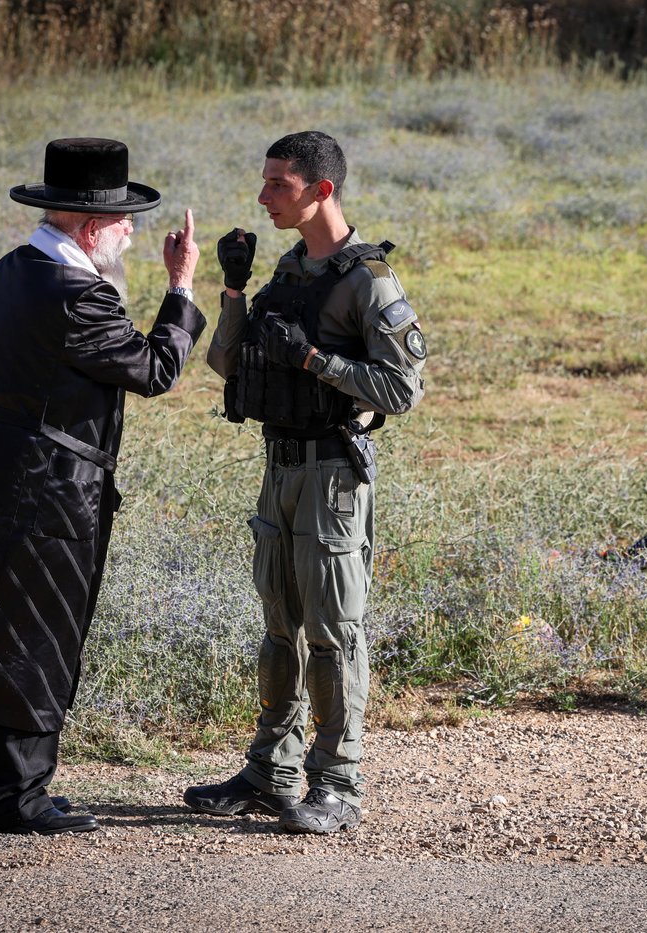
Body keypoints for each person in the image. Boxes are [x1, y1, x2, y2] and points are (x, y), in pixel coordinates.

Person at [0, 137, 205, 835]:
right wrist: (180, 287)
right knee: (34, 634)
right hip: (42, 492)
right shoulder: (76, 296)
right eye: (121, 222)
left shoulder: (15, 269)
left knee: (0, 633)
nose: (130, 232)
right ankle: (15, 799)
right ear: (89, 229)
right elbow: (154, 370)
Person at [185, 131, 427, 834]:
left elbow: (403, 389)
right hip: (281, 468)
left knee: (332, 632)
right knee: (278, 630)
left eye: (278, 185)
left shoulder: (368, 281)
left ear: (321, 191)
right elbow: (228, 364)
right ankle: (271, 773)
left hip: (331, 477)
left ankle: (338, 786)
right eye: (264, 182)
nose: (263, 197)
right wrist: (234, 289)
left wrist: (318, 360)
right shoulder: (289, 270)